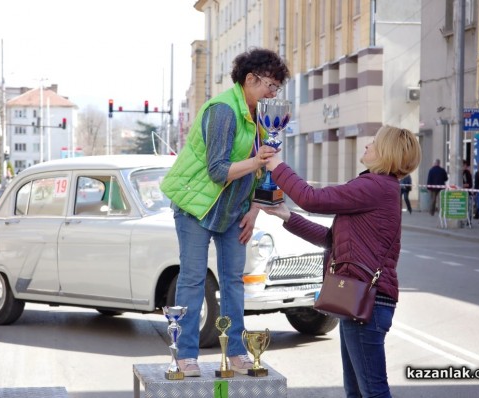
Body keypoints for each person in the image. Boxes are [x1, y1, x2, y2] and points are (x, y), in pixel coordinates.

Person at [257, 125, 421, 398]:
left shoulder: (375, 186)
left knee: (372, 391)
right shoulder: (379, 188)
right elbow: (331, 240)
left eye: (374, 142)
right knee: (357, 391)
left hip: (366, 301)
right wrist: (287, 216)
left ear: (387, 152)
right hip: (360, 299)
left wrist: (276, 165)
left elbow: (312, 198)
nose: (367, 145)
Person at [159, 48, 290, 376]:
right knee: (192, 278)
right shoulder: (223, 110)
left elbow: (262, 174)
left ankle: (236, 353)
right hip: (196, 208)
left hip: (234, 211)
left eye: (277, 89)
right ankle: (186, 356)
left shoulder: (260, 116)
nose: (273, 94)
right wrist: (258, 159)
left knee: (233, 280)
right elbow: (219, 170)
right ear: (250, 79)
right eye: (270, 86)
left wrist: (255, 209)